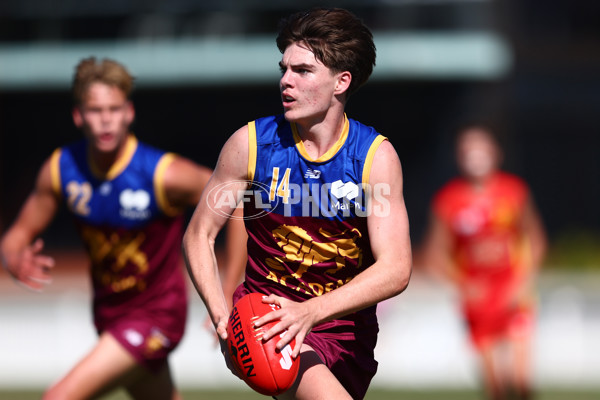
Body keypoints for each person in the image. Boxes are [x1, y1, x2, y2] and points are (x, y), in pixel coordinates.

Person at [183, 7, 412, 400]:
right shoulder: (249, 146)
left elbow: (396, 268)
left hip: (344, 332)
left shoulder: (375, 158)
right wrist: (225, 320)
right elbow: (199, 235)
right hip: (268, 322)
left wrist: (310, 312)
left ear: (341, 82)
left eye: (302, 71)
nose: (285, 82)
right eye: (283, 68)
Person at [0, 57, 227, 400]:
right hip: (109, 314)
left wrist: (231, 283)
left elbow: (233, 198)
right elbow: (16, 236)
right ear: (78, 116)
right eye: (95, 110)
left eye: (114, 108)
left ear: (129, 112)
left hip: (158, 314)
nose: (105, 119)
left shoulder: (162, 174)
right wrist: (12, 258)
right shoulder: (61, 169)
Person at [420, 124, 547, 400]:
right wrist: (463, 286)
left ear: (496, 152)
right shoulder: (448, 200)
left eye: (481, 148)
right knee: (497, 386)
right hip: (479, 299)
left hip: (513, 292)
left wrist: (524, 281)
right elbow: (434, 256)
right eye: (468, 150)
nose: (476, 156)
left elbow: (535, 239)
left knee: (521, 381)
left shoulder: (514, 191)